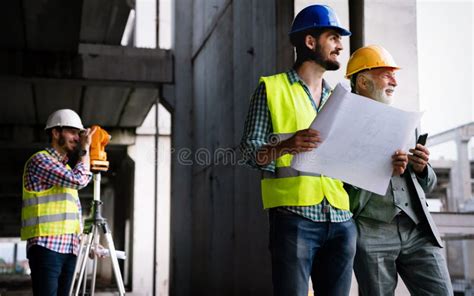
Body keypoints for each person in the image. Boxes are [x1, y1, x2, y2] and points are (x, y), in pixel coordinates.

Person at [240, 5, 355, 296]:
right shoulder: (272, 89)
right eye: (333, 37)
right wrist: (287, 146)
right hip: (295, 220)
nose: (340, 45)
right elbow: (249, 153)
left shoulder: (338, 99)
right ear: (310, 41)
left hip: (341, 221)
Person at [345, 45, 453, 295]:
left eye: (395, 75)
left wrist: (422, 168)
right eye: (386, 74)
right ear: (362, 81)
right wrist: (380, 170)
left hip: (417, 229)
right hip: (372, 233)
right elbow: (339, 194)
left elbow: (427, 185)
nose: (395, 81)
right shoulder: (341, 126)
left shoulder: (407, 122)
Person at [21, 109, 95, 295]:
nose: (78, 138)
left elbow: (73, 213)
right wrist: (86, 150)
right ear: (55, 132)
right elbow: (79, 180)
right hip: (47, 248)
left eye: (79, 134)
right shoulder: (41, 161)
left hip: (70, 249)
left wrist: (86, 243)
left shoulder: (66, 168)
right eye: (72, 132)